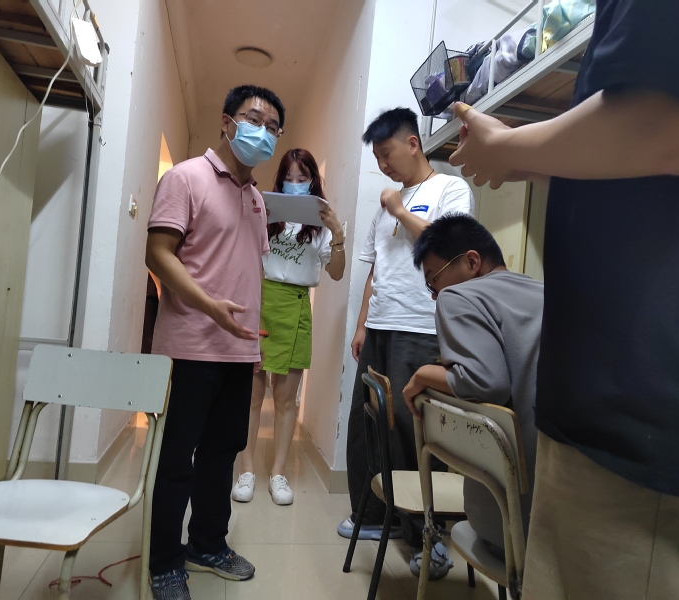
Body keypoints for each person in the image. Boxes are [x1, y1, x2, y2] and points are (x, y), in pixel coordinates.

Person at [447, 1, 679, 597]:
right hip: (621, 411)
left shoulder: (458, 302)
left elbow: (671, 125)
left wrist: (512, 149)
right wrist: (525, 155)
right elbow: (643, 157)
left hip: (640, 428)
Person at [145, 85, 286, 600]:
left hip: (238, 351)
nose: (263, 132)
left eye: (273, 127)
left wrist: (254, 338)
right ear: (227, 123)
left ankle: (207, 543)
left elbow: (246, 271)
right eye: (254, 119)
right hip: (190, 346)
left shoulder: (256, 200)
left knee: (223, 453)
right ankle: (165, 562)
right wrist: (209, 307)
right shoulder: (185, 177)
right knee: (177, 458)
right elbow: (158, 253)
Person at [338, 107, 475, 579]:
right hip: (380, 325)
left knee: (413, 429)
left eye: (387, 153)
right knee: (368, 422)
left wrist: (401, 210)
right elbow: (376, 269)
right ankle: (376, 515)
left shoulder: (450, 189)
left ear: (413, 143)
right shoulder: (386, 204)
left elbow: (450, 253)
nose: (383, 165)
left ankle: (429, 538)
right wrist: (362, 325)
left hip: (422, 327)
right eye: (376, 158)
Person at [402, 213, 543, 560]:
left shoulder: (458, 296)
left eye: (434, 281)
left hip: (511, 521)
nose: (435, 295)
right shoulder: (542, 291)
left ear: (471, 262)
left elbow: (484, 382)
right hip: (565, 506)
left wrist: (422, 375)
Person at [232, 148, 346, 506]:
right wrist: (258, 217)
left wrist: (337, 233)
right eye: (289, 178)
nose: (295, 184)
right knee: (251, 397)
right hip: (260, 302)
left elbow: (337, 272)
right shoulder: (265, 213)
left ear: (314, 181)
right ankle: (246, 469)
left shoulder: (321, 224)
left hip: (296, 307)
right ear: (279, 181)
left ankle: (278, 472)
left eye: (303, 178)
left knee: (285, 400)